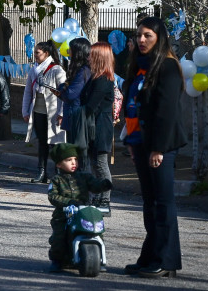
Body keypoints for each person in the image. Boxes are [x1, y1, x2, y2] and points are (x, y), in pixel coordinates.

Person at [122, 16, 184, 278]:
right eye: (138, 35)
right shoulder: (139, 67)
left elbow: (166, 113)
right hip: (140, 142)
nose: (142, 40)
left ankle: (165, 260)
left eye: (147, 35)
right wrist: (132, 141)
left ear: (159, 37)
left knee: (162, 203)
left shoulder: (167, 67)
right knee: (150, 203)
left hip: (160, 146)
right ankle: (149, 256)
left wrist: (157, 149)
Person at [47, 143, 113, 273]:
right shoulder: (57, 180)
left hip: (82, 212)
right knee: (59, 237)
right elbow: (53, 196)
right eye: (68, 160)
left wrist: (103, 185)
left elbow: (94, 186)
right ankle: (57, 260)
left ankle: (98, 257)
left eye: (75, 159)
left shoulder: (84, 176)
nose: (73, 163)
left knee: (96, 231)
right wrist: (68, 202)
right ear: (58, 164)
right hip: (63, 215)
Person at [22, 41, 66, 183]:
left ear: (46, 53)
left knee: (54, 143)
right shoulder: (34, 69)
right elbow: (28, 91)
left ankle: (58, 173)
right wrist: (25, 111)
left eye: (37, 53)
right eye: (35, 52)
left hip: (53, 112)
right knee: (42, 142)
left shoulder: (57, 70)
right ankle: (41, 172)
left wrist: (61, 113)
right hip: (38, 111)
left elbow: (64, 93)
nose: (35, 55)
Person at [82, 42, 116, 214]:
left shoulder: (103, 80)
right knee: (95, 163)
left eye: (91, 54)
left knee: (101, 164)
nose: (88, 57)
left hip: (101, 126)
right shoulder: (95, 77)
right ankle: (97, 196)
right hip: (93, 126)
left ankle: (105, 200)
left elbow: (90, 106)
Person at [55, 37, 92, 170]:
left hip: (77, 117)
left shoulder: (84, 71)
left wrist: (62, 90)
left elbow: (70, 94)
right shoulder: (77, 70)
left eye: (71, 49)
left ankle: (84, 184)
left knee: (79, 155)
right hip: (72, 115)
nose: (68, 52)